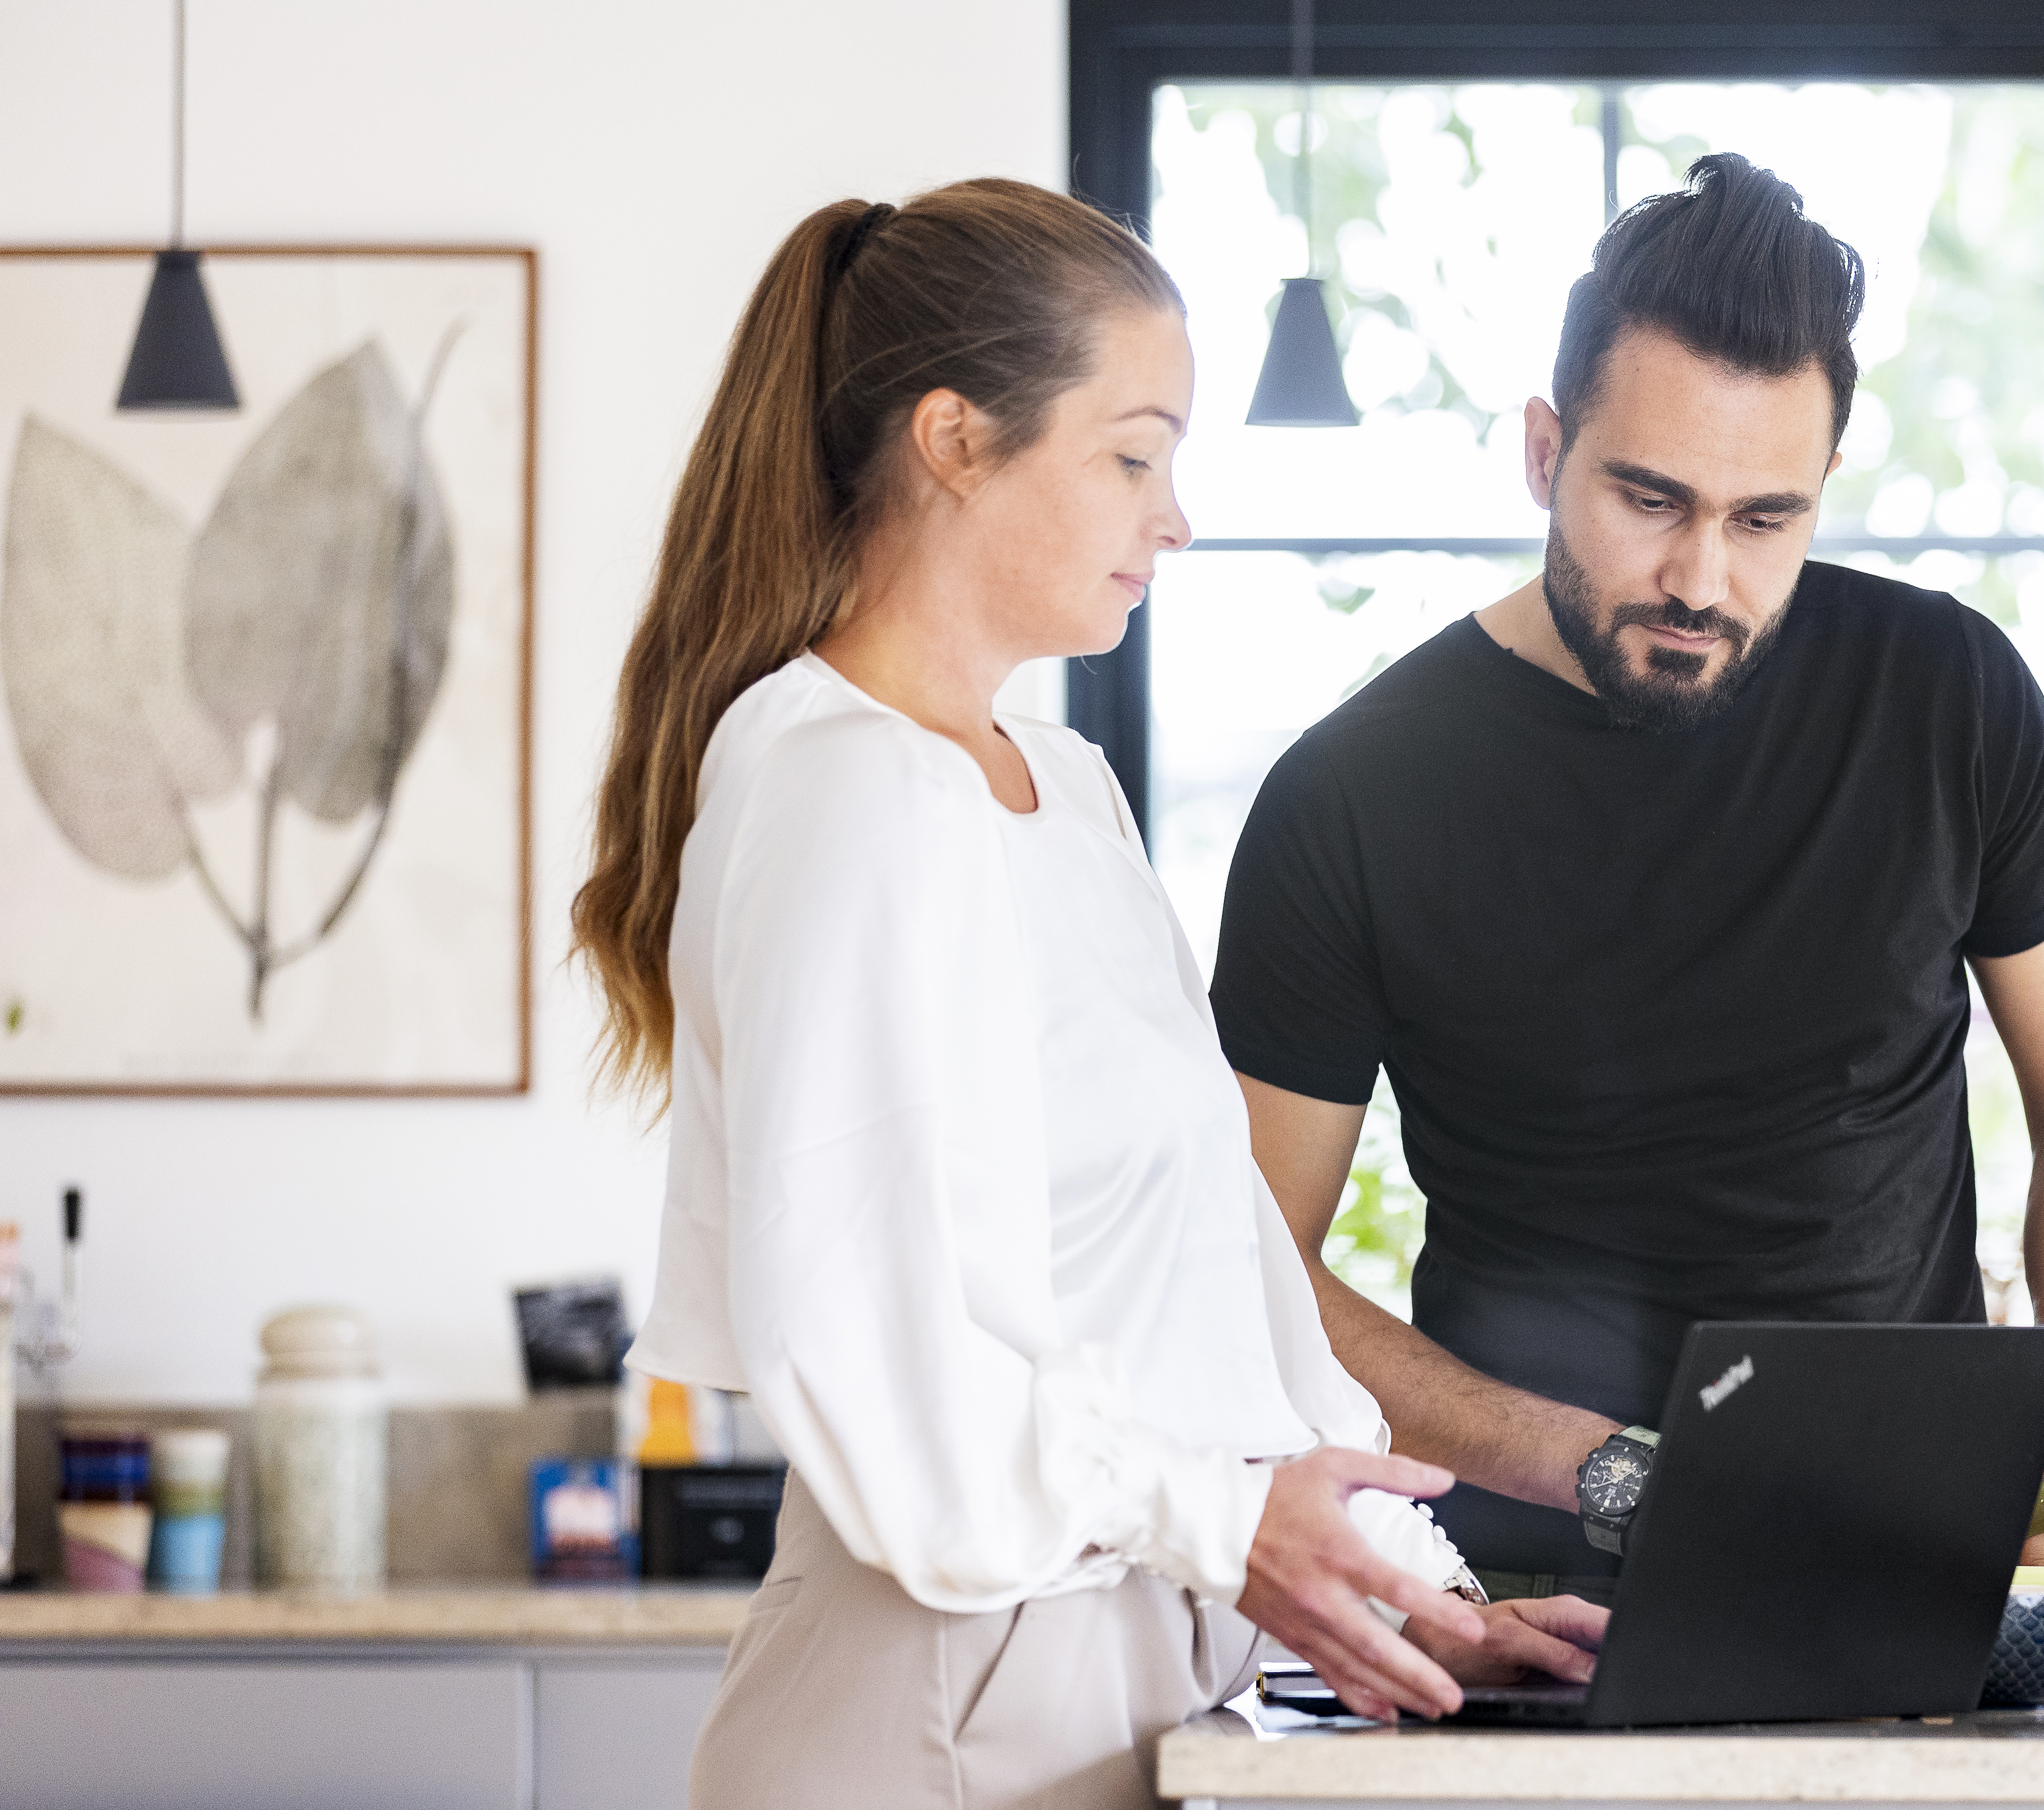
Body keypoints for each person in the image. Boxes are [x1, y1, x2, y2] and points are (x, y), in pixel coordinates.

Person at [569, 180, 1603, 1810]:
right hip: (933, 1711)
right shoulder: (846, 790)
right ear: (955, 441)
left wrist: (1407, 1599)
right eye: (1133, 456)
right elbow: (872, 1352)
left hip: (1122, 1695)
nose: (1173, 517)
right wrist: (1229, 1529)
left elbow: (1213, 1280)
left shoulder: (1063, 790)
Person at [1211, 154, 2044, 1598]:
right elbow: (1248, 1272)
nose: (1701, 579)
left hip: (1920, 1575)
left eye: (1764, 517)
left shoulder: (1947, 694)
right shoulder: (1352, 796)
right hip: (1531, 1602)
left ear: (1826, 482)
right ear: (1545, 453)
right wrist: (1613, 1474)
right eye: (1649, 499)